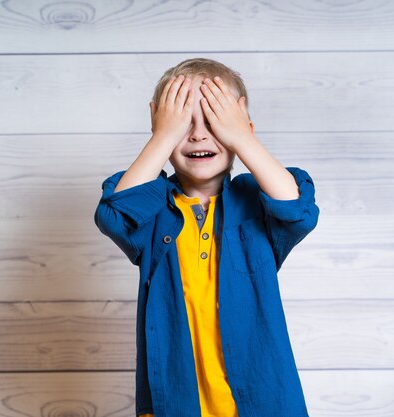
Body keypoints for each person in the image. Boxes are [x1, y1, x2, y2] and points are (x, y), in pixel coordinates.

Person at [94, 58, 320, 417]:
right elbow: (114, 215)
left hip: (263, 402)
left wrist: (243, 138)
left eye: (214, 122)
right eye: (184, 123)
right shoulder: (151, 209)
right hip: (176, 402)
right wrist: (163, 134)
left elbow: (297, 210)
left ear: (240, 129)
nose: (198, 135)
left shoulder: (256, 201)